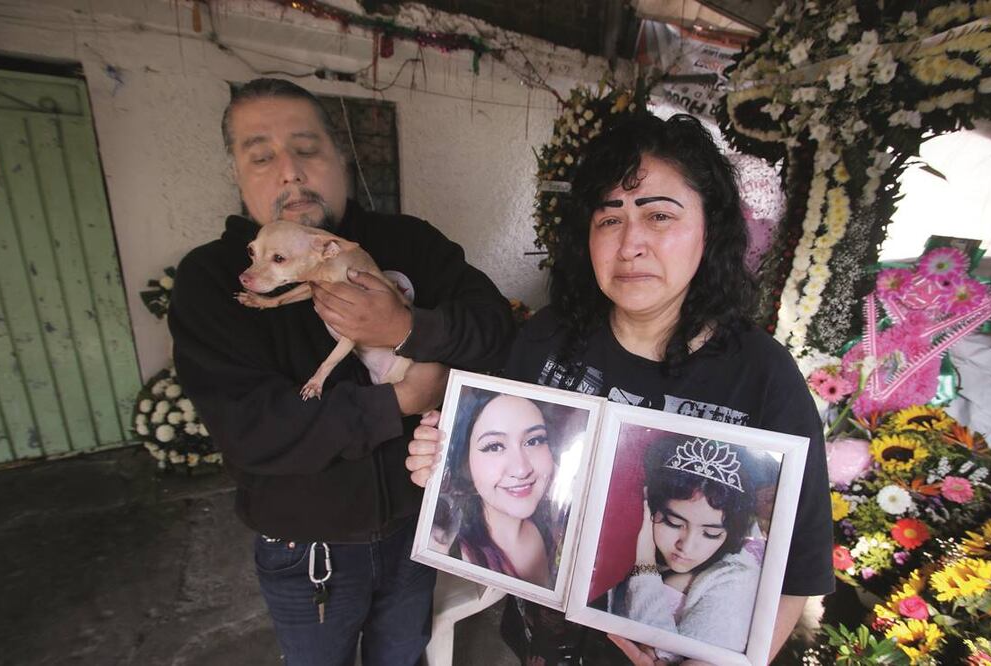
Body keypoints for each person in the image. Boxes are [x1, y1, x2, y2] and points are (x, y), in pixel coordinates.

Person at [405, 112, 833, 665]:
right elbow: (496, 456)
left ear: (711, 229)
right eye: (609, 219)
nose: (630, 243)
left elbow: (796, 569)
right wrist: (443, 458)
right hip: (543, 640)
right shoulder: (547, 340)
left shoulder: (763, 376)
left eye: (659, 216)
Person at [168, 77, 515, 666]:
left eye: (307, 149)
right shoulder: (212, 279)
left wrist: (407, 329)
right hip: (307, 551)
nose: (290, 172)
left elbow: (496, 332)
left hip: (417, 529)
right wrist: (402, 400)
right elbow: (251, 430)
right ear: (236, 172)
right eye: (261, 155)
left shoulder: (409, 242)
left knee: (403, 656)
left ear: (340, 159)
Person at [605, 435, 759, 656]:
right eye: (673, 522)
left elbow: (660, 656)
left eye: (710, 533)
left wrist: (645, 563)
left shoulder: (735, 583)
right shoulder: (621, 537)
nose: (686, 546)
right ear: (649, 506)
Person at [434, 388, 562, 588]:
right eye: (494, 446)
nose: (521, 470)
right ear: (465, 462)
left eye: (534, 440)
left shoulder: (556, 525)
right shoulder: (448, 552)